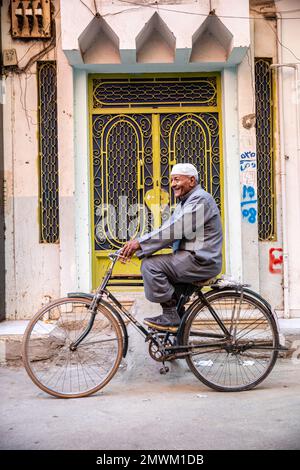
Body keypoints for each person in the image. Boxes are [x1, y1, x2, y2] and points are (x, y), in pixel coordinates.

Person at [120, 163, 223, 328]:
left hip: (200, 260)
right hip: (191, 258)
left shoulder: (200, 199)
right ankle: (177, 334)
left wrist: (140, 244)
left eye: (177, 179)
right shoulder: (186, 202)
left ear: (191, 180)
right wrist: (137, 246)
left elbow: (175, 230)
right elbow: (166, 229)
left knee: (151, 266)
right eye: (172, 180)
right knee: (157, 269)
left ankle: (170, 315)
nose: (173, 184)